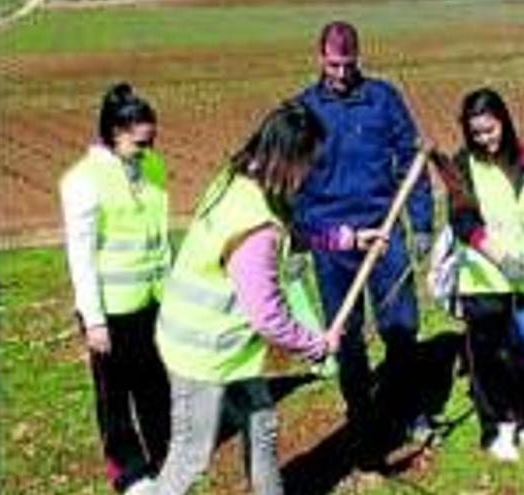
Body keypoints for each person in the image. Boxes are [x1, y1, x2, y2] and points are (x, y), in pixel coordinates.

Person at [150, 101, 383, 494]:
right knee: (190, 458)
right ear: (289, 157)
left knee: (262, 425)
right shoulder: (256, 223)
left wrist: (347, 238)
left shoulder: (242, 180)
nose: (312, 172)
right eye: (309, 162)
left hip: (228, 350)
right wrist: (315, 344)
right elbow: (267, 315)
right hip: (201, 352)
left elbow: (293, 230)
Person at [294, 20, 434, 459]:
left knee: (402, 326)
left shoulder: (384, 99)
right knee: (346, 334)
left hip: (382, 231)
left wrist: (423, 223)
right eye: (333, 65)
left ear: (359, 58)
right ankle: (361, 412)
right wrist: (301, 240)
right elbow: (292, 178)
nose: (339, 73)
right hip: (331, 240)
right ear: (320, 58)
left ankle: (409, 408)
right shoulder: (304, 109)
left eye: (347, 64)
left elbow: (412, 160)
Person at [60, 82, 172, 495]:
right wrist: (93, 321)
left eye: (151, 139)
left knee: (154, 384)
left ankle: (164, 452)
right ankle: (127, 470)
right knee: (114, 396)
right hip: (109, 311)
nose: (149, 148)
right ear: (113, 133)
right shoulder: (82, 181)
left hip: (152, 302)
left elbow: (160, 240)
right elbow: (81, 256)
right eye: (140, 142)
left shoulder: (154, 168)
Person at [433, 88, 524, 462]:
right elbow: (463, 219)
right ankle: (499, 426)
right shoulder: (462, 164)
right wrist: (499, 257)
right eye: (476, 134)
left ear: (504, 121)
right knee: (487, 359)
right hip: (483, 280)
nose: (485, 139)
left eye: (490, 129)